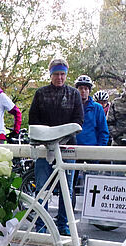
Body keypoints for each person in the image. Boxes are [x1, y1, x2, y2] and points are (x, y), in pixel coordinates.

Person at [28, 58, 84, 235]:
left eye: (62, 74)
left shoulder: (74, 94)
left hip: (68, 146)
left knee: (66, 189)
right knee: (42, 187)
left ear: (66, 75)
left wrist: (63, 135)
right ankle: (41, 225)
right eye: (56, 74)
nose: (60, 77)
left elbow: (79, 119)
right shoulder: (40, 93)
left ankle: (63, 225)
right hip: (45, 147)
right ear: (51, 75)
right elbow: (33, 119)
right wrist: (47, 137)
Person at [75, 75, 109, 147]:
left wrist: (100, 149)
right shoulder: (71, 107)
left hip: (92, 149)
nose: (83, 91)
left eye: (86, 89)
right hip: (73, 149)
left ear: (89, 91)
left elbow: (103, 131)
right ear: (76, 90)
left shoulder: (97, 108)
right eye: (80, 88)